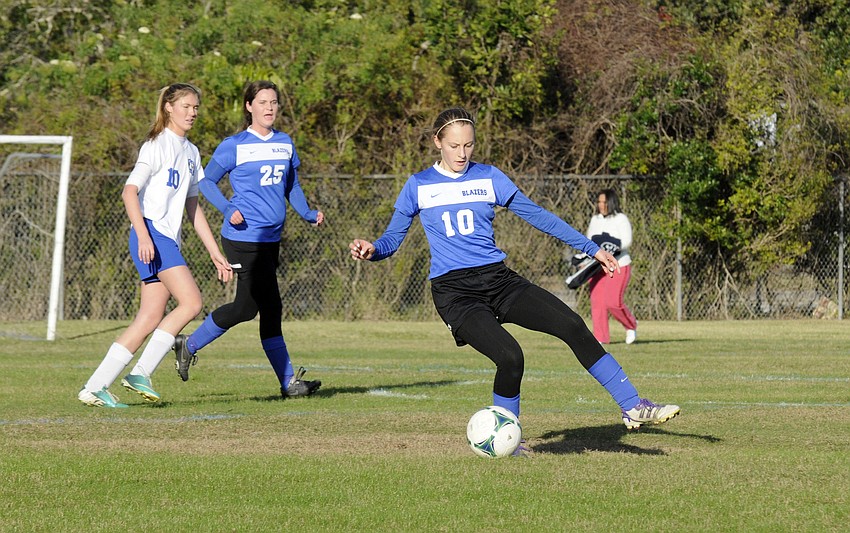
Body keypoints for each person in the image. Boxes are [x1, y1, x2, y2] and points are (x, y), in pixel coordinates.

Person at [348, 107, 679, 433]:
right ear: (437, 142)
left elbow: (538, 216)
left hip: (499, 280)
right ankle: (506, 436)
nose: (462, 153)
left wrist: (591, 248)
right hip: (456, 293)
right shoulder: (418, 185)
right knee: (510, 357)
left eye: (468, 145)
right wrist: (373, 249)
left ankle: (633, 406)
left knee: (572, 325)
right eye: (454, 146)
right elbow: (392, 238)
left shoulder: (489, 177)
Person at [78, 83, 233, 408]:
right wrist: (144, 235)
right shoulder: (156, 145)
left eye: (196, 108)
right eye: (186, 106)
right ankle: (141, 373)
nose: (192, 113)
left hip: (162, 238)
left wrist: (215, 252)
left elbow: (193, 207)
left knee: (149, 317)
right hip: (151, 234)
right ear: (168, 108)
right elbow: (128, 192)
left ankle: (94, 387)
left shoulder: (191, 153)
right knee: (191, 303)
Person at [172, 80, 323, 399]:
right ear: (249, 106)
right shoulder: (235, 145)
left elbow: (291, 186)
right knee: (266, 307)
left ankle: (189, 344)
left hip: (270, 240)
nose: (270, 107)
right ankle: (288, 383)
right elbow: (206, 181)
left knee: (248, 308)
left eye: (274, 102)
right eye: (263, 102)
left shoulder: (285, 143)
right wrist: (228, 208)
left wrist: (307, 212)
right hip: (242, 239)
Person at [585, 188, 638, 345]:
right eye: (599, 202)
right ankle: (601, 338)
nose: (601, 205)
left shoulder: (621, 218)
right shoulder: (595, 219)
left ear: (611, 202)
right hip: (597, 267)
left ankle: (631, 325)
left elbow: (626, 241)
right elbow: (589, 240)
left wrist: (610, 247)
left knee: (612, 302)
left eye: (604, 202)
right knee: (597, 302)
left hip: (618, 265)